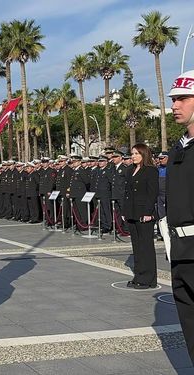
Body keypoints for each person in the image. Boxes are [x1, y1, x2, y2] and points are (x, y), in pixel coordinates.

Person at [166, 69, 194, 363]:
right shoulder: (178, 148)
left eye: (183, 98)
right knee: (189, 322)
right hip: (180, 250)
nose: (175, 105)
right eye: (174, 99)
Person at [122, 143, 158, 289]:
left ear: (144, 154)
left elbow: (152, 193)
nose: (133, 156)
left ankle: (148, 279)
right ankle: (139, 275)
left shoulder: (150, 171)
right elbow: (127, 193)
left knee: (146, 246)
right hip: (132, 212)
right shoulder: (130, 170)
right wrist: (125, 212)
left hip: (144, 213)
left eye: (137, 153)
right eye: (132, 153)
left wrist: (148, 213)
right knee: (136, 246)